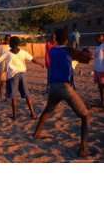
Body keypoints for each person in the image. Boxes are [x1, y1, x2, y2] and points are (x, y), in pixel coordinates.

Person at [34, 28, 92, 157]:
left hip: (53, 86)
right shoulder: (69, 50)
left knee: (48, 110)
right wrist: (86, 52)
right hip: (65, 88)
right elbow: (87, 59)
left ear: (56, 38)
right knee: (85, 116)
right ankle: (83, 148)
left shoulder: (53, 50)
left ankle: (36, 133)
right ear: (67, 39)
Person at [0, 36, 44, 120]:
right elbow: (32, 59)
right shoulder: (23, 52)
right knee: (27, 95)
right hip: (22, 74)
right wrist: (40, 64)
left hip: (13, 76)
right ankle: (33, 114)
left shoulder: (7, 53)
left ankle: (14, 116)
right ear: (18, 44)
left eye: (10, 42)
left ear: (11, 44)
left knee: (13, 96)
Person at [0, 35, 10, 103]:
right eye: (7, 39)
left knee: (8, 84)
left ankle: (6, 98)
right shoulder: (1, 47)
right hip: (2, 67)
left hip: (10, 68)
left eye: (9, 39)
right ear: (5, 39)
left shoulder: (12, 47)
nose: (8, 40)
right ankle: (0, 98)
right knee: (2, 83)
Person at [94, 33, 104, 107]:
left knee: (102, 85)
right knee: (100, 86)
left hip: (102, 69)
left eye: (99, 37)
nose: (97, 38)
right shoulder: (97, 47)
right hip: (97, 69)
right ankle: (102, 101)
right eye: (97, 37)